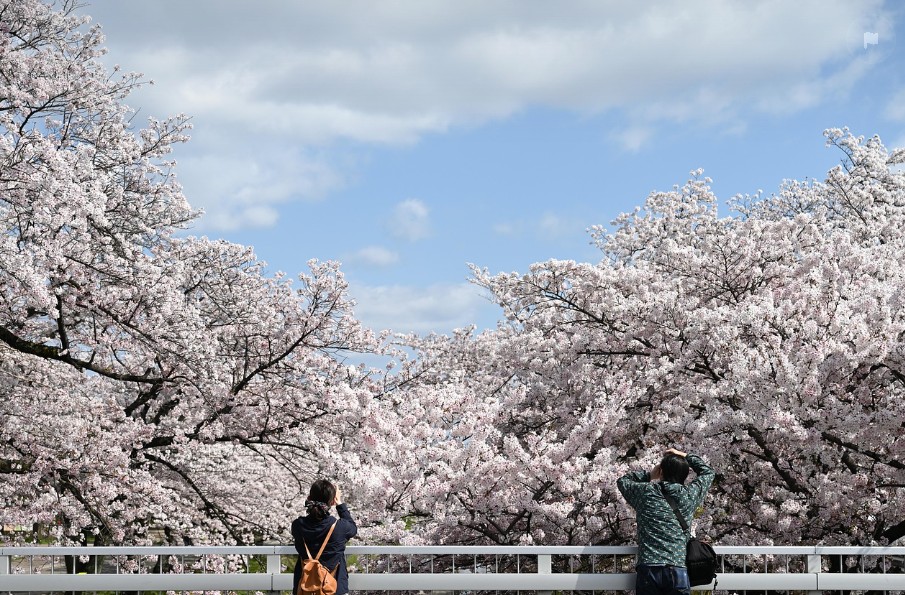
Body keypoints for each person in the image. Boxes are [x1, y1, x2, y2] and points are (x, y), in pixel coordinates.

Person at [616, 448, 715, 595]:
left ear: (661, 472)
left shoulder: (646, 492)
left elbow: (623, 481)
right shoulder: (689, 495)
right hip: (677, 567)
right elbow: (708, 472)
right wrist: (685, 455)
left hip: (649, 567)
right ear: (685, 474)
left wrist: (649, 475)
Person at [291, 479, 358, 595]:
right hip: (334, 588)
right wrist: (340, 504)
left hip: (304, 589)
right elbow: (353, 528)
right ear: (332, 502)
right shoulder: (339, 527)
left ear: (309, 498)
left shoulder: (297, 525)